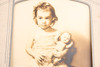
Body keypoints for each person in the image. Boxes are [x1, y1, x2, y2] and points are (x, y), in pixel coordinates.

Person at [25, 2, 68, 67]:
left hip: (53, 61)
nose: (43, 21)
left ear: (52, 18)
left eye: (47, 18)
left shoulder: (57, 32)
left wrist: (62, 53)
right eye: (40, 18)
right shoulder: (34, 33)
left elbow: (65, 46)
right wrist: (35, 55)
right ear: (36, 18)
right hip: (39, 61)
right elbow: (28, 48)